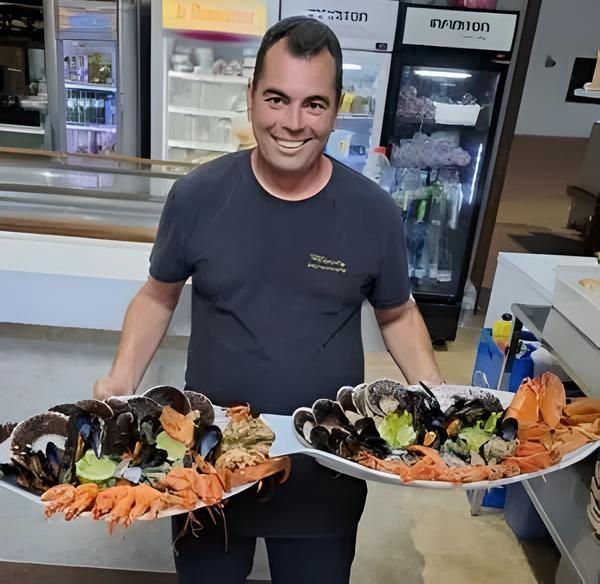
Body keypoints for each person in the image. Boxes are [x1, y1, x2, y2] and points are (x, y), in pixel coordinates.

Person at [94, 16, 442, 584]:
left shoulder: (373, 212)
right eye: (277, 99)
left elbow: (398, 312)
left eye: (314, 104)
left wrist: (437, 398)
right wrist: (120, 376)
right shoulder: (197, 197)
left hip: (324, 470)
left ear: (336, 108)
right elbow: (158, 295)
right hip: (207, 465)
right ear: (251, 95)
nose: (292, 122)